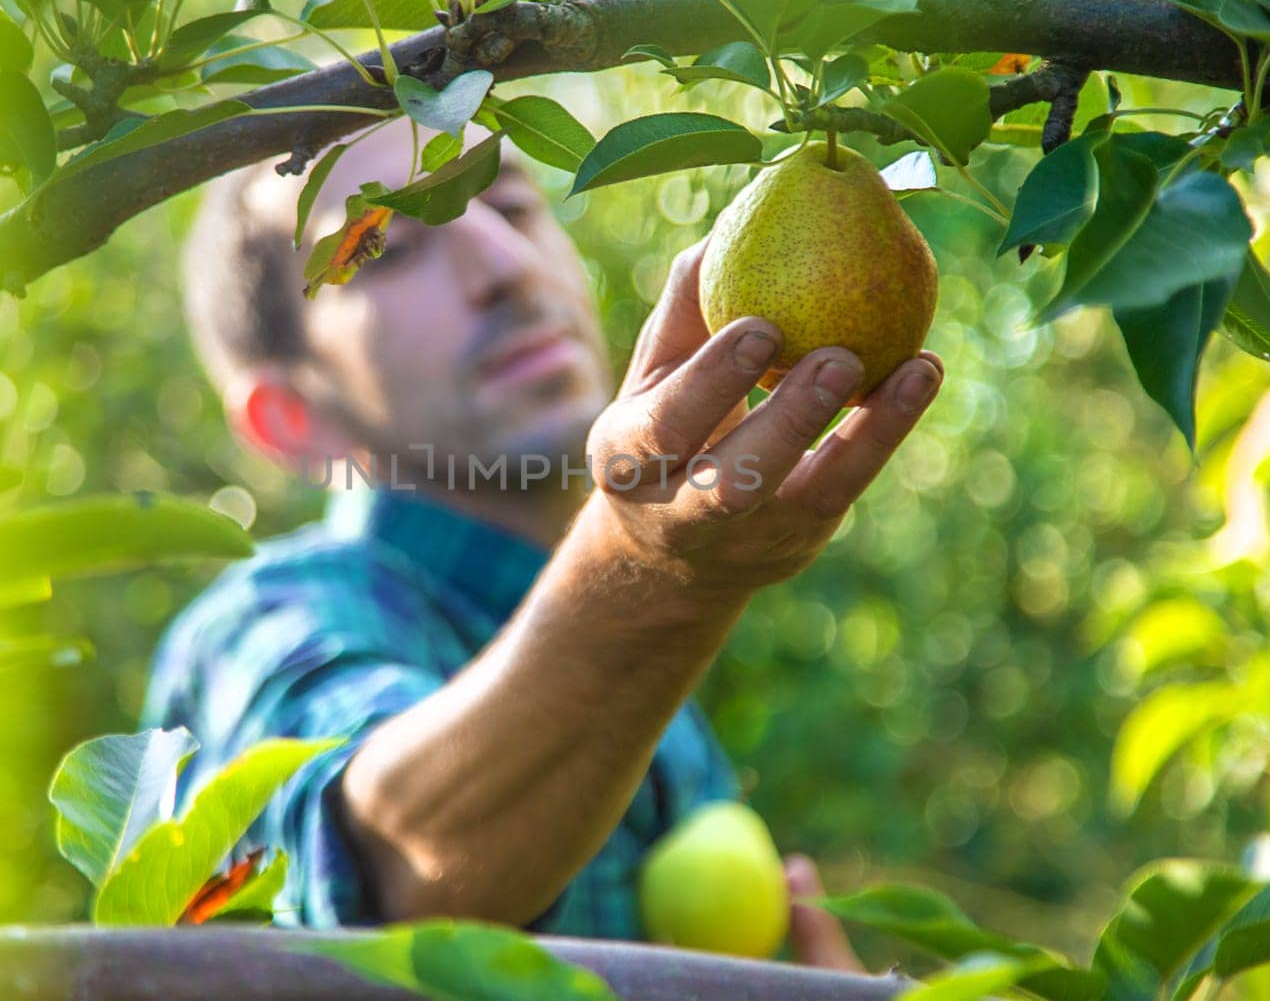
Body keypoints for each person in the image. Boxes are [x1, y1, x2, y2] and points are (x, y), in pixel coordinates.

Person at [141, 122, 943, 963]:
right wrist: (650, 574)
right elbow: (378, 866)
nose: (503, 266)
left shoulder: (662, 717)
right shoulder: (254, 626)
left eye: (514, 204)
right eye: (388, 246)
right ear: (292, 418)